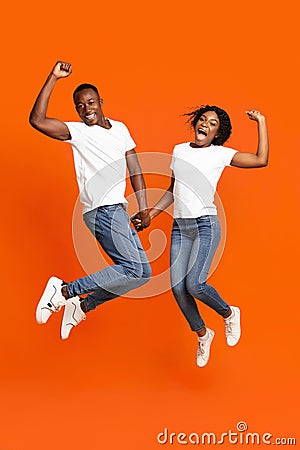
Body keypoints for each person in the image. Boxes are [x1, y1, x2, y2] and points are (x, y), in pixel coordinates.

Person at [132, 105, 269, 367]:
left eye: (213, 123)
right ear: (195, 123)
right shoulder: (179, 150)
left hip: (206, 224)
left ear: (218, 133)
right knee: (177, 288)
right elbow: (174, 189)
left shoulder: (220, 154)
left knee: (195, 285)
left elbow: (261, 160)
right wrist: (151, 214)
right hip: (180, 227)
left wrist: (260, 122)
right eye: (203, 119)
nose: (205, 124)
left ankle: (229, 313)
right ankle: (203, 334)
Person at [30, 61, 152, 340]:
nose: (86, 110)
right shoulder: (78, 132)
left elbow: (135, 169)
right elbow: (37, 120)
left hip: (118, 210)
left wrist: (144, 209)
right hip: (101, 210)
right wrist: (53, 77)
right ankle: (63, 291)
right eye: (80, 106)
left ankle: (82, 305)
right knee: (131, 268)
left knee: (142, 274)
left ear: (100, 101)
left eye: (90, 102)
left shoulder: (120, 129)